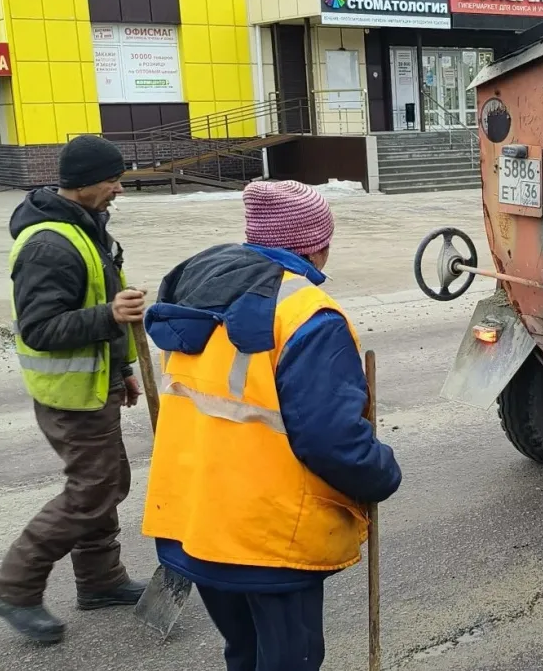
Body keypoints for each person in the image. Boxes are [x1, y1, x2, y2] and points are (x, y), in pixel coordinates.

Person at [140, 180, 402, 671]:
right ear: (317, 244)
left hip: (198, 521)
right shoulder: (305, 314)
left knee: (243, 654)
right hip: (267, 537)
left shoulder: (202, 291)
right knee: (290, 661)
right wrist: (382, 473)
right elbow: (331, 440)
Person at [0, 135, 147, 644]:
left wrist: (122, 366)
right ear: (84, 183)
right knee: (93, 489)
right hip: (69, 394)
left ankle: (101, 581)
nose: (118, 189)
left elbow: (102, 297)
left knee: (107, 480)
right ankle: (15, 587)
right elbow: (38, 327)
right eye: (112, 180)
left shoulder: (87, 227)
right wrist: (109, 317)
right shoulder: (48, 245)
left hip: (95, 384)